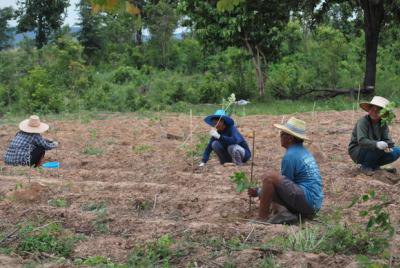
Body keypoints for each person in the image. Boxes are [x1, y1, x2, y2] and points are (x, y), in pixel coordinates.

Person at [248, 117, 324, 223]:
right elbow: (287, 187)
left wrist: (260, 192)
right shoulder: (303, 152)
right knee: (273, 182)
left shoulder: (290, 155)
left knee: (269, 177)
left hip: (308, 202)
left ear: (290, 138)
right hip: (314, 203)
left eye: (282, 134)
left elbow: (282, 190)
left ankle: (262, 218)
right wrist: (260, 191)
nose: (280, 136)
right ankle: (285, 214)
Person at [348, 96, 400, 175]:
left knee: (396, 152)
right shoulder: (363, 122)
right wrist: (377, 144)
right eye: (373, 109)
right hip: (358, 151)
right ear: (369, 110)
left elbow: (388, 140)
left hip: (374, 151)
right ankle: (365, 166)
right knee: (377, 147)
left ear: (383, 113)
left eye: (378, 110)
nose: (374, 112)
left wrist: (388, 144)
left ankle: (374, 166)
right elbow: (361, 141)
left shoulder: (383, 124)